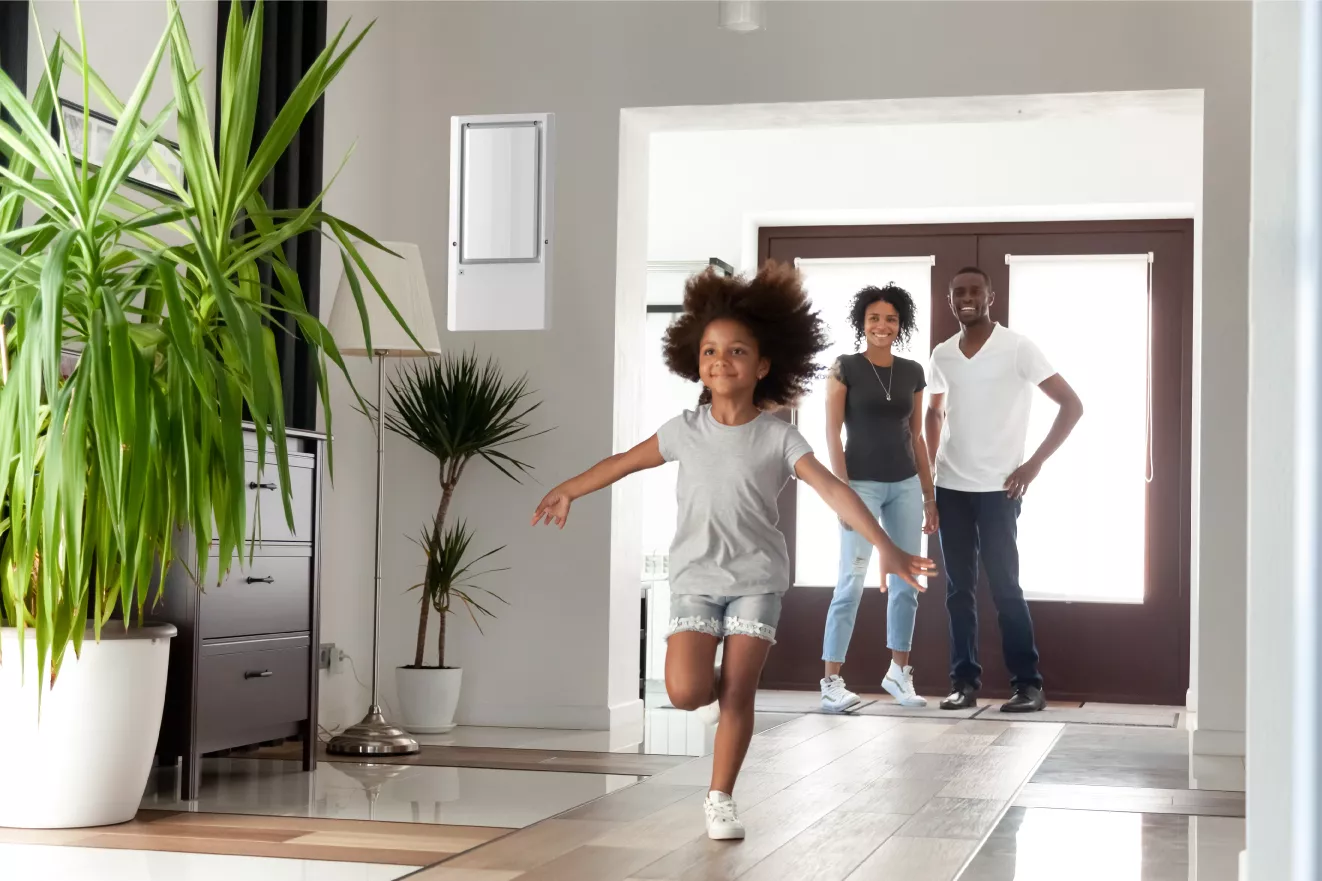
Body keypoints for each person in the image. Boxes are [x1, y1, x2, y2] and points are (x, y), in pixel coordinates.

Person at [533, 263, 937, 841]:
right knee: (687, 692)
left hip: (757, 579)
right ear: (696, 361)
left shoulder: (778, 436)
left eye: (738, 351)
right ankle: (717, 674)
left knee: (739, 693)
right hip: (696, 578)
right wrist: (570, 487)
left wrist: (889, 549)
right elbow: (621, 462)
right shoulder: (683, 429)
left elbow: (833, 491)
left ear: (764, 365)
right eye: (710, 351)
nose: (722, 361)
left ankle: (720, 797)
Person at [925, 267, 1083, 713]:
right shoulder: (942, 354)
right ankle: (963, 682)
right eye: (959, 292)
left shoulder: (1017, 348)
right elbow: (934, 413)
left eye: (975, 290)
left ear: (990, 296)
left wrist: (1033, 465)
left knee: (1005, 587)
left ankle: (1027, 684)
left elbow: (1072, 405)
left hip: (999, 491)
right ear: (950, 300)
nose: (966, 298)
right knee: (958, 591)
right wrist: (932, 472)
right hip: (950, 487)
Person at [820, 284, 938, 713]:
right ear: (862, 324)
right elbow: (832, 433)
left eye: (890, 319)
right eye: (874, 318)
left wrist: (929, 496)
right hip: (861, 487)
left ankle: (898, 672)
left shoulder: (912, 372)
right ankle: (832, 680)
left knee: (907, 580)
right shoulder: (845, 367)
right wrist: (841, 493)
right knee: (851, 581)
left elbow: (917, 436)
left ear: (899, 325)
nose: (881, 326)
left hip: (906, 484)